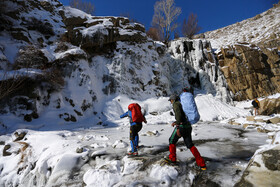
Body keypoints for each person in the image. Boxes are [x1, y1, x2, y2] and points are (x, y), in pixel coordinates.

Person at [166, 94, 206, 170]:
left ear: (173, 100)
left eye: (170, 100)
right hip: (188, 126)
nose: (171, 102)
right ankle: (202, 164)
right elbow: (183, 116)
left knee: (171, 141)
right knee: (190, 145)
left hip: (181, 127)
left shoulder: (176, 104)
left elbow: (179, 115)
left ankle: (172, 159)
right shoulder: (182, 103)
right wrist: (176, 122)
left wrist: (177, 125)